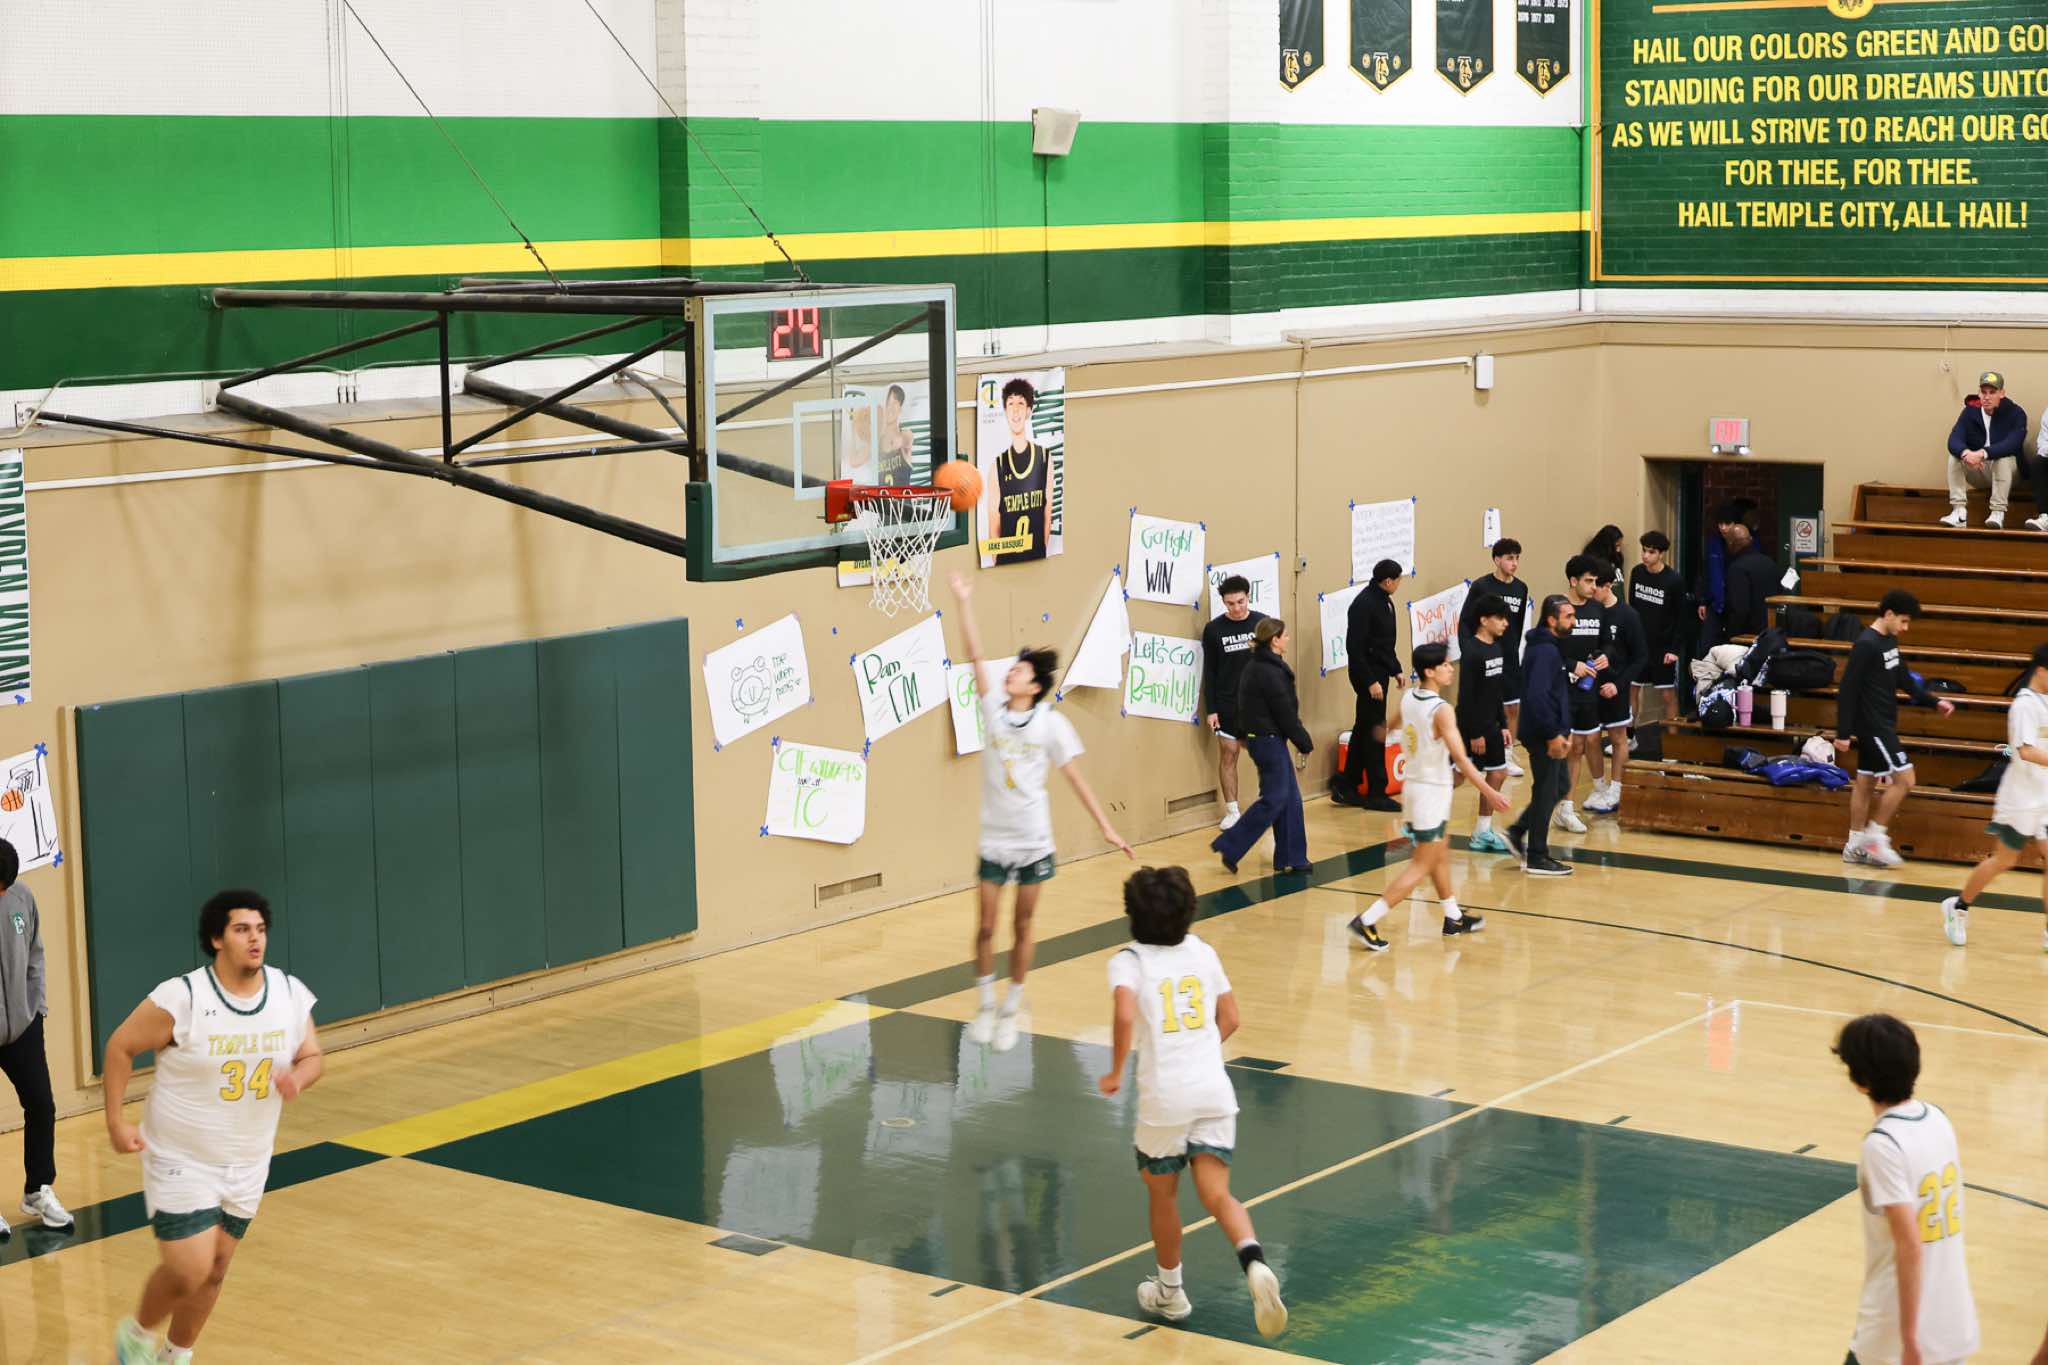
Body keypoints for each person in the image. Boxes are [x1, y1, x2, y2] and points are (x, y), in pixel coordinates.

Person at [103, 891, 323, 1365]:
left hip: (248, 1159)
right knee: (191, 1268)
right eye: (242, 929)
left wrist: (298, 1078)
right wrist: (116, 1121)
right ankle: (135, 1336)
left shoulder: (288, 993)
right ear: (216, 939)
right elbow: (120, 1046)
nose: (255, 939)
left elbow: (312, 1055)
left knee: (217, 1268)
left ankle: (175, 1355)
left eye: (260, 929)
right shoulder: (183, 997)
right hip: (180, 1156)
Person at [1097, 866, 1287, 1338]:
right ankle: (1254, 1262)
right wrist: (1200, 1049)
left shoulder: (1128, 961)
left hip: (1164, 1097)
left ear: (1133, 914)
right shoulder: (1203, 951)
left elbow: (1124, 1013)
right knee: (1218, 1194)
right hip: (1213, 1089)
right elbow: (1232, 1017)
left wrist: (1116, 1070)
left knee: (1163, 1195)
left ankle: (1171, 1291)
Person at [949, 572, 1132, 1051]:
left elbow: (1076, 779)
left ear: (1034, 685)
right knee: (986, 926)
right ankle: (984, 1006)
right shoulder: (992, 709)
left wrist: (1107, 828)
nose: (1010, 673)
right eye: (1011, 669)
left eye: (1019, 671)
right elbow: (974, 656)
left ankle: (1012, 1007)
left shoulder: (1051, 725)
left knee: (1022, 925)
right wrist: (963, 602)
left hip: (1033, 841)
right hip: (994, 838)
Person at [1831, 1013, 1979, 1365]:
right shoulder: (1938, 1119)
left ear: (1860, 1081)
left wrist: (1909, 1340)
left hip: (1897, 1336)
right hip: (1951, 1321)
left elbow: (1910, 1244)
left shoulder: (1882, 1144)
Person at [1347, 643, 1511, 951]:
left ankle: (1453, 916)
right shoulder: (1442, 710)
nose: (1451, 669)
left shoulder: (1409, 697)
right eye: (1445, 665)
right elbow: (1461, 759)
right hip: (1430, 793)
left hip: (1415, 787)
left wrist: (1389, 736)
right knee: (1421, 864)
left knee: (1439, 852)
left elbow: (1388, 728)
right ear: (1430, 671)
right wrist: (1490, 792)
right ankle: (1367, 920)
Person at [1835, 590, 1955, 868]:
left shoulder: (1889, 641)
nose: (1905, 628)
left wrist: (1934, 701)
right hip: (1874, 726)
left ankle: (1853, 845)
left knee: (1865, 783)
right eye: (1903, 621)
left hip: (1884, 722)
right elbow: (1847, 690)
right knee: (1905, 779)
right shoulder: (1866, 645)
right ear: (1888, 614)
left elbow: (1904, 679)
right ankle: (1875, 837)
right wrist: (1843, 733)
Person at [1941, 642, 2048, 952]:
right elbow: (2025, 751)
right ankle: (1958, 906)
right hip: (2021, 798)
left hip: (2044, 795)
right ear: (2042, 671)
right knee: (2005, 860)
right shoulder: (2024, 705)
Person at [0, 837, 69, 1236]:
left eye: (6, 887)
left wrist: (36, 1006)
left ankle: (37, 1189)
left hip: (23, 1026)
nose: (3, 894)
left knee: (41, 1105)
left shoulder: (22, 896)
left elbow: (36, 955)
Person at [1214, 619, 1313, 875]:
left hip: (1265, 739)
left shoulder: (1256, 666)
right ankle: (1230, 845)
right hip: (1268, 741)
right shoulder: (1270, 671)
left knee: (1290, 799)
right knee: (1275, 798)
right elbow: (1284, 712)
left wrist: (1242, 734)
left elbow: (1243, 704)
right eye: (1285, 635)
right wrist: (1303, 741)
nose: (1288, 638)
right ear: (1274, 640)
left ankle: (1292, 857)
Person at [1505, 595, 1576, 876]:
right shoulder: (1545, 652)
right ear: (1551, 619)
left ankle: (1518, 830)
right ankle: (1537, 855)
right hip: (1543, 734)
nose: (1574, 621)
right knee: (1547, 789)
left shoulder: (1549, 648)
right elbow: (1538, 696)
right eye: (1568, 616)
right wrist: (1552, 734)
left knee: (1559, 785)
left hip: (1551, 731)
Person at [1331, 559, 1404, 812]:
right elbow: (1355, 648)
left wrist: (1395, 669)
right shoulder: (1364, 604)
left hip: (1380, 673)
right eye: (1398, 579)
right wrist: (1370, 681)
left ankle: (1346, 784)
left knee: (1363, 728)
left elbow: (1383, 643)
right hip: (1368, 676)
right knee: (1375, 731)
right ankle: (1376, 792)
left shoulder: (1385, 601)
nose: (1399, 584)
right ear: (1388, 581)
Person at [1201, 575, 1267, 832]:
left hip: (1258, 704)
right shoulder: (1213, 630)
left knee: (1266, 756)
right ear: (1223, 602)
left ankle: (1269, 805)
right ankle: (1232, 811)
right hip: (1228, 703)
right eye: (1231, 604)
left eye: (1240, 602)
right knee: (1229, 754)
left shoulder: (1262, 623)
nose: (1237, 608)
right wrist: (1212, 709)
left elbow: (1273, 664)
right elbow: (1210, 672)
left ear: (1248, 597)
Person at [1458, 538, 1529, 769]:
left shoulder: (1521, 588)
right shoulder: (1481, 586)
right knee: (1487, 702)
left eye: (1517, 558)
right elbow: (1466, 620)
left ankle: (1508, 754)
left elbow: (1517, 623)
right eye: (1509, 558)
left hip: (1509, 656)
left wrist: (1513, 647)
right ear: (1497, 560)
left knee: (1512, 707)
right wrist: (1469, 648)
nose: (1514, 563)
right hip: (1485, 654)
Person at [1582, 565, 1646, 816]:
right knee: (1591, 739)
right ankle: (1599, 787)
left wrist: (1618, 684)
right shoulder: (1590, 612)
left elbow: (1640, 657)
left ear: (1607, 586)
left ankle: (1617, 789)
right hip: (1590, 687)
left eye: (1595, 585)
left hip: (1615, 688)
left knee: (1618, 738)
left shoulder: (1628, 615)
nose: (1590, 590)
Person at [1454, 597, 1516, 853]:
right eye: (1500, 618)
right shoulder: (1472, 651)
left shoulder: (1497, 648)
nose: (1505, 623)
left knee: (1498, 772)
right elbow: (1466, 696)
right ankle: (1423, 821)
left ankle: (1482, 831)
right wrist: (1475, 733)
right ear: (1483, 620)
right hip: (1472, 726)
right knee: (1456, 777)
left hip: (1492, 724)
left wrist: (1503, 725)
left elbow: (1496, 691)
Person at [1556, 555, 1608, 834]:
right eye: (1588, 581)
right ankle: (1558, 805)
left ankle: (1566, 807)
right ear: (1573, 581)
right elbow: (1545, 648)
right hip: (1561, 689)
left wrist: (1605, 656)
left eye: (1595, 581)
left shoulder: (1598, 609)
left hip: (1587, 689)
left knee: (1581, 745)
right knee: (1564, 747)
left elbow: (1606, 644)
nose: (1593, 586)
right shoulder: (1556, 608)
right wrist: (1570, 665)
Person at [1941, 370, 2027, 529]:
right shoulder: (1970, 412)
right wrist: (1966, 454)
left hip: (2009, 473)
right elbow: (1954, 439)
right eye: (1983, 392)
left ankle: (1997, 512)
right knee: (1955, 457)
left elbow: (2013, 443)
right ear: (1979, 393)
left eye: (1992, 392)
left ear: (2002, 393)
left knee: (2002, 459)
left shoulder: (2016, 413)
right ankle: (1959, 512)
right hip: (1980, 470)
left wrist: (1983, 453)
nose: (1987, 397)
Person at [1628, 530, 1689, 732]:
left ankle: (1674, 741)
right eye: (1644, 551)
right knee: (1632, 689)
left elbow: (1682, 618)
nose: (1645, 556)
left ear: (1661, 554)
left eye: (1651, 552)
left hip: (1663, 647)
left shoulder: (1674, 580)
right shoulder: (1637, 573)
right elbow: (1632, 608)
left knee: (1667, 694)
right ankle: (1629, 736)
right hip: (1639, 645)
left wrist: (1674, 649)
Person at [990, 377, 1052, 564]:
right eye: (1010, 403)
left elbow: (1047, 514)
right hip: (1006, 560)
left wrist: (1041, 552)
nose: (1015, 410)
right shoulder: (997, 465)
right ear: (1005, 411)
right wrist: (997, 563)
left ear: (1028, 411)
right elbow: (994, 526)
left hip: (1035, 558)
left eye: (1021, 403)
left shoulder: (1044, 458)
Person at [1720, 513, 1778, 646]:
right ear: (1750, 540)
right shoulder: (1769, 562)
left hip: (1748, 635)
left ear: (1731, 544)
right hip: (1772, 632)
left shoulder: (1737, 568)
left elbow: (1740, 608)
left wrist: (1731, 634)